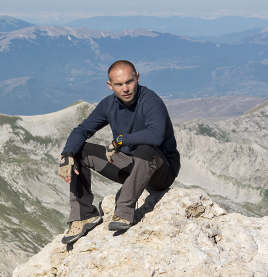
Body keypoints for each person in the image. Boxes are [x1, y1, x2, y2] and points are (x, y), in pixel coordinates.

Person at [58, 60, 180, 244]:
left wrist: (120, 140)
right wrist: (66, 155)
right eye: (119, 84)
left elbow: (155, 136)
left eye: (129, 82)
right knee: (79, 152)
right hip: (130, 165)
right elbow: (82, 130)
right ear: (110, 85)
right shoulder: (108, 105)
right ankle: (84, 215)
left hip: (160, 170)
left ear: (137, 78)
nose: (125, 89)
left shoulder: (150, 100)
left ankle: (124, 212)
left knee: (146, 149)